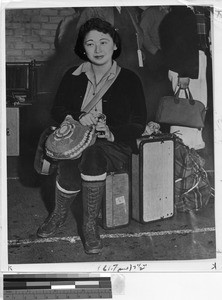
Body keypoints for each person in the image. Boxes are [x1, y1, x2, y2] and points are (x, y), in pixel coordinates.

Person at [37, 17, 147, 254]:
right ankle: (58, 214)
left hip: (113, 145)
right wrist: (76, 116)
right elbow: (57, 109)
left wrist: (111, 131)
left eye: (104, 42)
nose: (97, 50)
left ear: (115, 45)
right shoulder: (72, 75)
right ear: (82, 47)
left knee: (93, 155)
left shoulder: (129, 79)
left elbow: (139, 123)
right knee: (71, 161)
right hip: (77, 142)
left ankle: (88, 225)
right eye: (90, 44)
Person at [159, 6, 207, 150]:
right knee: (185, 108)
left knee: (192, 106)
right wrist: (184, 73)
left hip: (190, 64)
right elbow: (179, 44)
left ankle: (190, 144)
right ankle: (184, 146)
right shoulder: (182, 14)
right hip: (186, 68)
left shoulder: (177, 14)